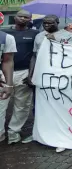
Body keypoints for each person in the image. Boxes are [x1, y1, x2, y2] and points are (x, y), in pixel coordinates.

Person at [27, 15, 72, 152]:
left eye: (50, 23)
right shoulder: (39, 36)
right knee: (40, 106)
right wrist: (31, 74)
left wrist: (55, 42)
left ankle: (62, 137)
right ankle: (41, 133)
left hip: (60, 76)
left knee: (60, 106)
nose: (47, 25)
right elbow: (34, 56)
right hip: (42, 75)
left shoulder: (68, 35)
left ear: (58, 23)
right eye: (44, 23)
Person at [0, 11, 37, 144]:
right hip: (3, 75)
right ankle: (1, 132)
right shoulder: (5, 33)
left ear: (30, 19)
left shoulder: (35, 34)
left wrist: (32, 75)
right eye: (20, 16)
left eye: (26, 17)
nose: (22, 18)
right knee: (1, 104)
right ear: (14, 18)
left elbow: (36, 55)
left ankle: (14, 131)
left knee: (22, 105)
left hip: (24, 73)